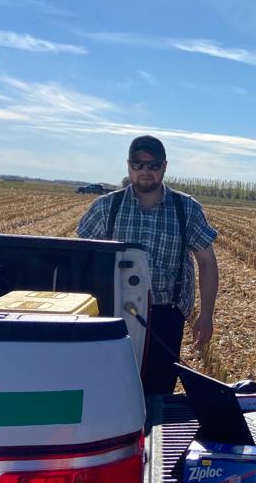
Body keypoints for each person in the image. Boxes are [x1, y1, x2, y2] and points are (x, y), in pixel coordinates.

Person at [77, 135, 219, 394]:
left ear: (164, 166)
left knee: (157, 394)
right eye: (138, 164)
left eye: (152, 165)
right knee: (108, 391)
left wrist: (206, 315)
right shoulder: (105, 207)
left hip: (165, 316)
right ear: (128, 165)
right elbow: (79, 259)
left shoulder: (186, 208)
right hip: (111, 313)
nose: (145, 171)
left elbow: (207, 262)